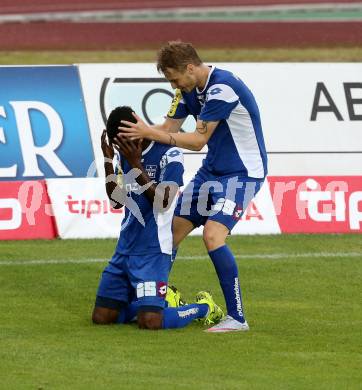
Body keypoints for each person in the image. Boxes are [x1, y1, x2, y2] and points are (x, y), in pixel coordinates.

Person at [118, 42, 268, 332]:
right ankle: (154, 300)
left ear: (190, 68)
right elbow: (169, 130)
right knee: (170, 231)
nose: (173, 85)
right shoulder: (186, 90)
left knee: (213, 235)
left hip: (242, 174)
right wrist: (133, 139)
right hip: (211, 172)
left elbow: (198, 141)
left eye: (174, 78)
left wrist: (148, 133)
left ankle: (237, 318)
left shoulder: (221, 88)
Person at [92, 105, 224, 330]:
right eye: (118, 145)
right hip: (125, 248)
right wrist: (108, 161)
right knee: (101, 317)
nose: (122, 148)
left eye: (125, 142)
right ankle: (158, 301)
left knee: (151, 322)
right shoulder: (125, 153)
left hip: (154, 249)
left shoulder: (169, 153)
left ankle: (205, 307)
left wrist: (135, 164)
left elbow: (164, 202)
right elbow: (116, 201)